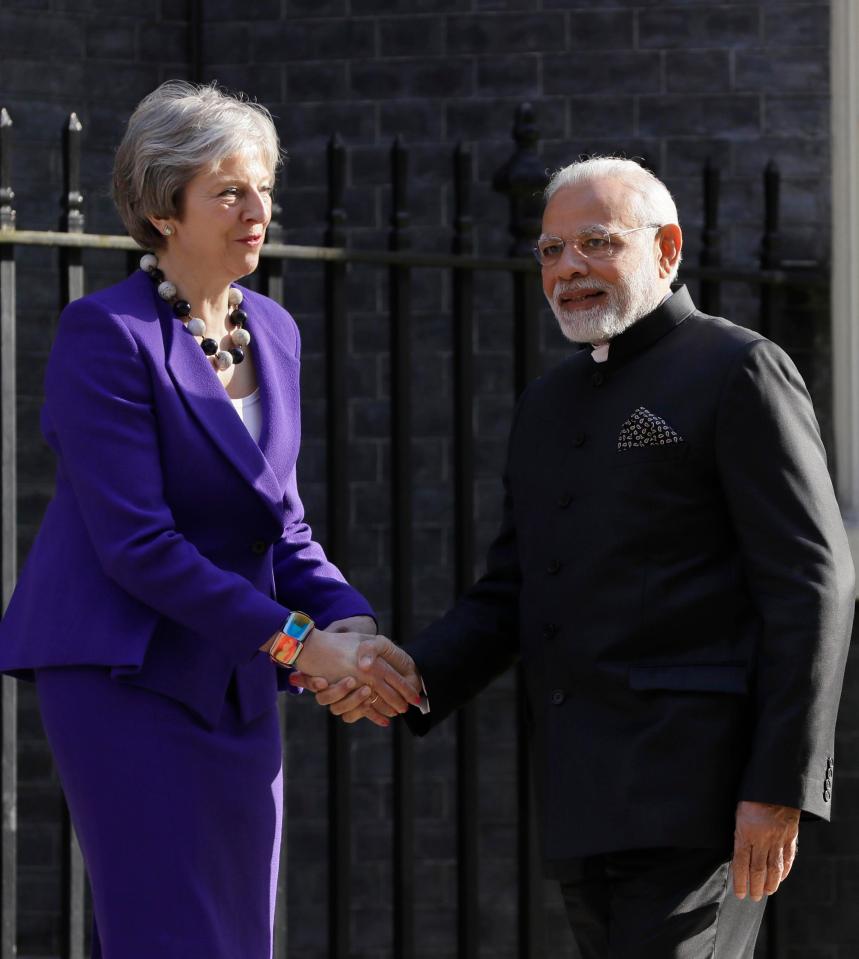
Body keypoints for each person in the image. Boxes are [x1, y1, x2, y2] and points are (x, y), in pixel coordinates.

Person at [304, 157, 856, 957]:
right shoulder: (546, 403)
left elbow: (815, 582)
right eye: (550, 252)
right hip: (583, 794)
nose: (567, 270)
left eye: (595, 243)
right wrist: (414, 674)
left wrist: (780, 786)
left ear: (665, 248)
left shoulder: (738, 368)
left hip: (699, 794)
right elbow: (511, 589)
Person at [0, 81, 421, 959]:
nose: (257, 209)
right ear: (163, 209)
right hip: (126, 675)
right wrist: (302, 644)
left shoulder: (272, 328)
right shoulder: (102, 333)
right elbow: (137, 545)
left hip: (235, 672)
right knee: (171, 934)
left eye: (264, 186)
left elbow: (281, 525)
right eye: (229, 190)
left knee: (238, 937)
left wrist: (354, 628)